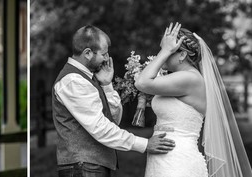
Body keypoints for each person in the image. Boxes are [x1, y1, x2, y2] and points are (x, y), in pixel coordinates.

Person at [52, 25, 176, 176]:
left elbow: (113, 120)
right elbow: (99, 127)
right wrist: (144, 144)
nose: (106, 58)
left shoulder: (88, 78)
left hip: (91, 167)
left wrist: (107, 86)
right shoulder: (73, 81)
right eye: (103, 54)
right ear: (88, 53)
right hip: (82, 168)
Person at [136, 23, 252, 176]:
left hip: (178, 161)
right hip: (162, 159)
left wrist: (165, 51)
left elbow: (141, 82)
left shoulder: (190, 78)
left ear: (183, 55)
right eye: (162, 49)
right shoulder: (176, 79)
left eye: (167, 50)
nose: (162, 53)